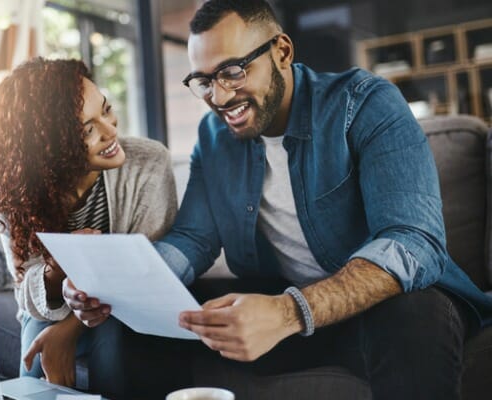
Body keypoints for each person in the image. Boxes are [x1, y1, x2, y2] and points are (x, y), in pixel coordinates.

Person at [63, 1, 492, 399]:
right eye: (204, 80)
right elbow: (193, 239)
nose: (220, 96)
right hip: (279, 306)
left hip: (372, 312)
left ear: (282, 51)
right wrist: (120, 286)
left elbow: (413, 241)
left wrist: (290, 312)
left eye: (232, 71)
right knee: (126, 328)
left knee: (414, 315)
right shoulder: (214, 139)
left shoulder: (364, 104)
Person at [0, 58, 177, 397]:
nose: (110, 131)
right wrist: (55, 269)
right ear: (50, 147)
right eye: (88, 130)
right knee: (36, 329)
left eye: (105, 110)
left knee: (107, 330)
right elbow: (27, 295)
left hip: (125, 309)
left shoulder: (149, 164)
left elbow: (145, 274)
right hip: (53, 309)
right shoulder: (16, 192)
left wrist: (67, 332)